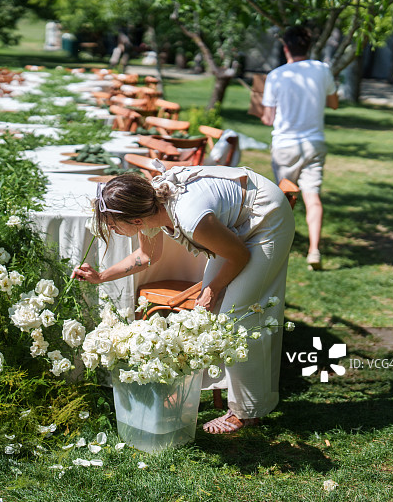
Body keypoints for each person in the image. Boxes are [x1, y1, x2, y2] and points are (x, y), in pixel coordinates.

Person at [72, 166, 295, 434]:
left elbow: (239, 256)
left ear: (136, 221)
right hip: (238, 220)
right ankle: (191, 391)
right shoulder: (149, 208)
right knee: (207, 316)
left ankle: (246, 413)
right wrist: (101, 276)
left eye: (111, 223)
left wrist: (212, 289)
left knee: (238, 317)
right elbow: (147, 256)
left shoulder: (190, 217)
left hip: (266, 215)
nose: (111, 228)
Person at [261, 25, 339, 271]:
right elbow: (334, 103)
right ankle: (314, 250)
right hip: (314, 143)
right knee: (312, 197)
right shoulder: (322, 69)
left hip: (285, 145)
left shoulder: (276, 75)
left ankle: (274, 245)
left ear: (286, 48)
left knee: (283, 198)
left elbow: (268, 118)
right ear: (309, 46)